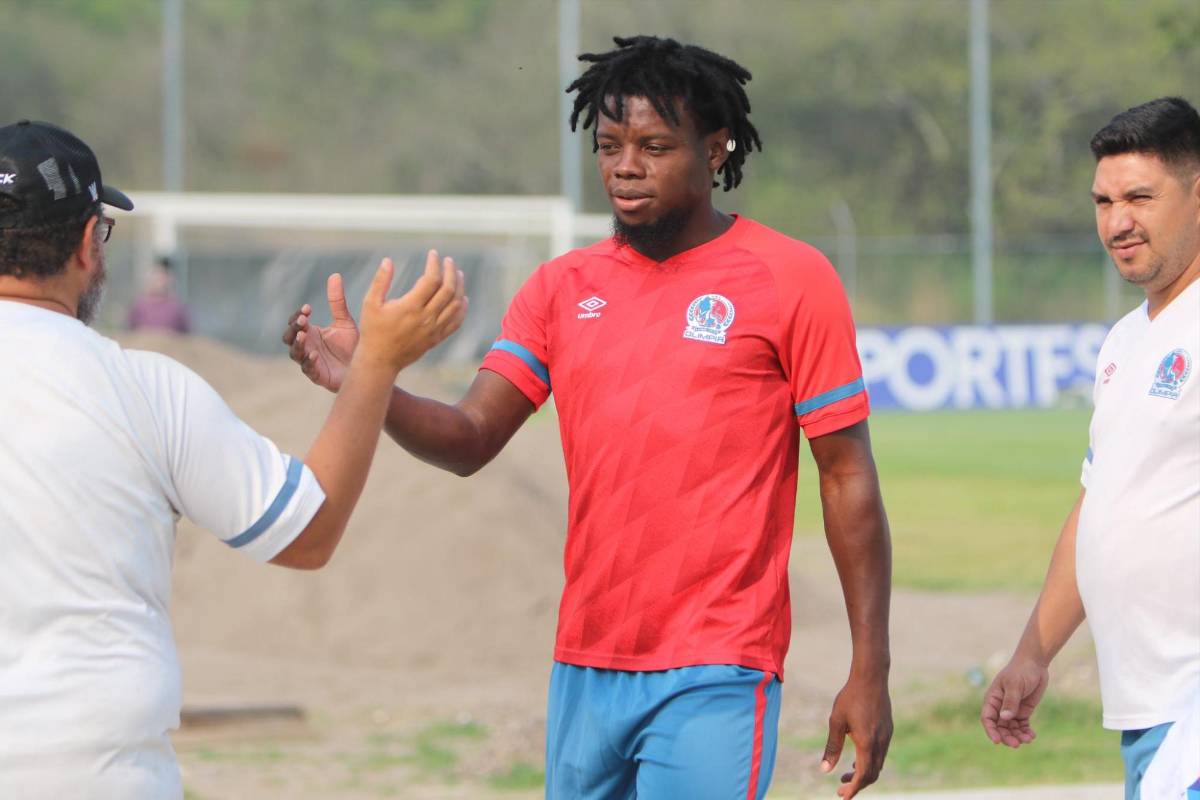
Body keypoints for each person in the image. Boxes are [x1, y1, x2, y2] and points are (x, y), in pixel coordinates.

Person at [284, 36, 893, 800]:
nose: (625, 167)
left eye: (654, 147)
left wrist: (870, 667)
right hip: (585, 663)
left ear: (715, 149)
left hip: (719, 662)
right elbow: (471, 439)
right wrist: (366, 383)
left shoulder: (792, 279)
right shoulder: (560, 288)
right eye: (609, 146)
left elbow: (845, 477)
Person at [0, 119, 466, 798]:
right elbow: (306, 532)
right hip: (96, 774)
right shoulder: (143, 391)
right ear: (85, 242)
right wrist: (377, 363)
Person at [981, 97, 1200, 800]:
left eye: (1140, 197)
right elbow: (1100, 504)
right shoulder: (1124, 342)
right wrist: (1032, 653)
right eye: (1104, 202)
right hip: (1148, 709)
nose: (1117, 222)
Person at [127, 255, 191, 334]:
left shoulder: (176, 308)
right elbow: (129, 331)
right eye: (156, 276)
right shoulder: (140, 306)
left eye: (162, 277)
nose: (159, 281)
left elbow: (186, 335)